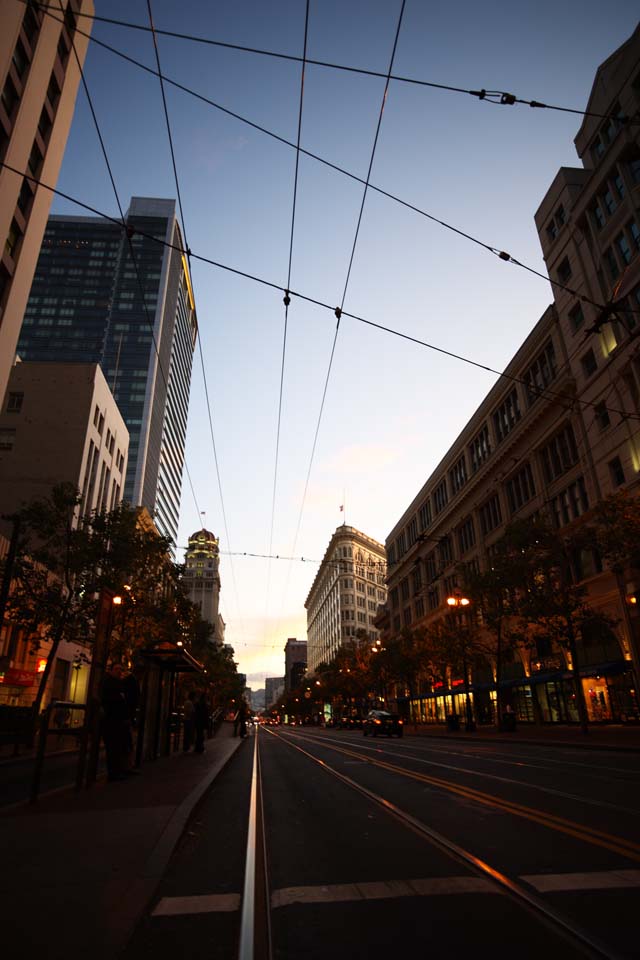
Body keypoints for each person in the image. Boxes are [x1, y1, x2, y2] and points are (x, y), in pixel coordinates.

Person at [101, 663, 130, 782]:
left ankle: (116, 772)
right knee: (113, 748)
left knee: (117, 748)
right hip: (112, 720)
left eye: (121, 669)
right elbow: (115, 700)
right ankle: (113, 773)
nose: (119, 671)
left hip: (117, 720)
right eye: (117, 669)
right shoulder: (109, 683)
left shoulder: (117, 683)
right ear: (111, 670)